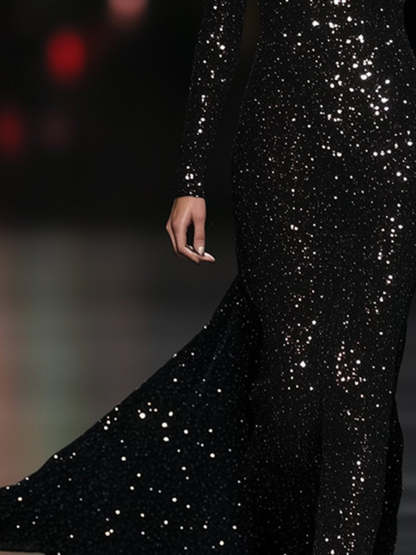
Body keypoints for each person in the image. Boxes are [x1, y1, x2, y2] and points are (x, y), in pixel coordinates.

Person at [1, 0, 416, 553]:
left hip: (392, 142)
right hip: (283, 144)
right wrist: (191, 178)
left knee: (361, 385)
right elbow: (221, 25)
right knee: (291, 385)